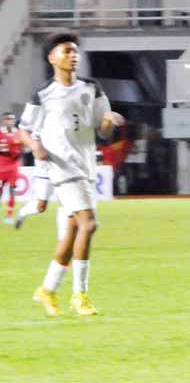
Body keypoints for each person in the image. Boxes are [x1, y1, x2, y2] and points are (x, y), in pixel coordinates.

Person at [22, 33, 126, 316]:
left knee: (72, 231)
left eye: (76, 51)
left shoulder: (91, 87)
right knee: (88, 224)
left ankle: (47, 289)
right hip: (62, 166)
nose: (73, 56)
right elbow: (24, 129)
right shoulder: (43, 93)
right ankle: (80, 295)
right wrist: (35, 146)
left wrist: (109, 120)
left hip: (86, 165)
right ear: (52, 58)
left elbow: (102, 131)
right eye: (67, 51)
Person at [13, 158, 53, 230]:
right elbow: (41, 155)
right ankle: (22, 213)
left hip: (64, 174)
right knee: (41, 207)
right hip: (45, 176)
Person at [0, 112, 21, 224]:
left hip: (13, 166)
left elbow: (23, 148)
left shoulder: (18, 133)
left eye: (12, 119)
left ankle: (9, 216)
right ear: (4, 120)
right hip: (1, 165)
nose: (10, 121)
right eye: (8, 119)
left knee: (12, 190)